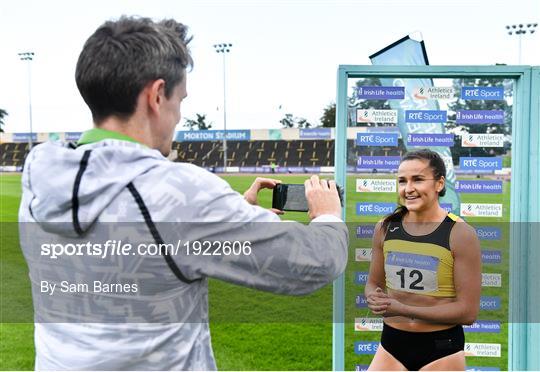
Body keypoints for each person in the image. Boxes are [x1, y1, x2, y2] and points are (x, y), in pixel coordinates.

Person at [18, 16, 348, 370]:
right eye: (181, 100)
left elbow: (140, 239)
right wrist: (328, 216)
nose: (178, 116)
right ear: (157, 95)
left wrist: (232, 211)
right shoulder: (180, 192)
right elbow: (311, 264)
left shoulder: (41, 176)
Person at [365, 149, 481, 371]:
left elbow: (468, 312)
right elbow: (373, 282)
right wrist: (373, 296)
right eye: (402, 181)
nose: (408, 189)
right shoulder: (385, 227)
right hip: (391, 344)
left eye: (418, 179)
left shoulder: (460, 233)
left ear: (439, 184)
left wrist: (403, 308)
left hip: (440, 350)